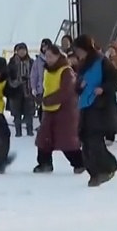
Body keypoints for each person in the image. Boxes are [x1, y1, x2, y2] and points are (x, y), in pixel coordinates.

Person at [72, 34, 117, 187]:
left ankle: (107, 168)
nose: (77, 53)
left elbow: (116, 78)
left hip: (99, 106)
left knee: (94, 140)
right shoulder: (82, 64)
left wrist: (103, 89)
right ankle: (94, 172)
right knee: (85, 140)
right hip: (85, 105)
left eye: (79, 50)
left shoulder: (102, 61)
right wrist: (79, 86)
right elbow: (77, 86)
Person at [34, 45, 85, 174]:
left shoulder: (66, 71)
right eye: (47, 56)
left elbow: (66, 92)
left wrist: (47, 99)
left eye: (51, 56)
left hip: (65, 111)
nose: (48, 59)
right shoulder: (47, 70)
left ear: (58, 56)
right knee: (44, 138)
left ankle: (80, 163)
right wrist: (40, 96)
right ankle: (44, 163)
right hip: (49, 109)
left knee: (66, 139)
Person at [7, 43, 35, 137]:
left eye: (23, 50)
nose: (22, 52)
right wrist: (17, 81)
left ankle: (29, 130)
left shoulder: (31, 62)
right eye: (20, 50)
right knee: (16, 112)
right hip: (16, 91)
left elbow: (36, 75)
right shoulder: (12, 63)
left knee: (29, 112)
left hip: (28, 90)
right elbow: (8, 77)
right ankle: (18, 131)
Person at [30, 39, 53, 123]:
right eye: (43, 47)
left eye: (47, 47)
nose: (45, 49)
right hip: (42, 89)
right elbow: (34, 75)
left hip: (53, 88)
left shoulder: (56, 59)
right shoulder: (38, 61)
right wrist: (34, 87)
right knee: (42, 109)